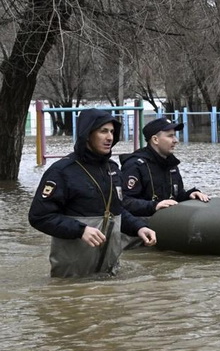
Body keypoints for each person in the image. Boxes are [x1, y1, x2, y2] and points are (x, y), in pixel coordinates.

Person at [28, 109, 157, 278]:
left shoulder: (113, 169)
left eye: (112, 132)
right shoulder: (62, 171)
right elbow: (40, 217)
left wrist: (138, 227)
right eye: (103, 131)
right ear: (87, 134)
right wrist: (80, 230)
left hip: (109, 273)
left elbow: (116, 211)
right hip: (71, 279)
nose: (110, 137)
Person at [120, 117, 209, 217]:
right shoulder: (135, 165)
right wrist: (154, 206)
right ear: (155, 139)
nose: (176, 140)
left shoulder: (171, 164)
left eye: (174, 136)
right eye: (170, 136)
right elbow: (124, 202)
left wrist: (189, 195)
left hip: (169, 222)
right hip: (143, 226)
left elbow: (176, 196)